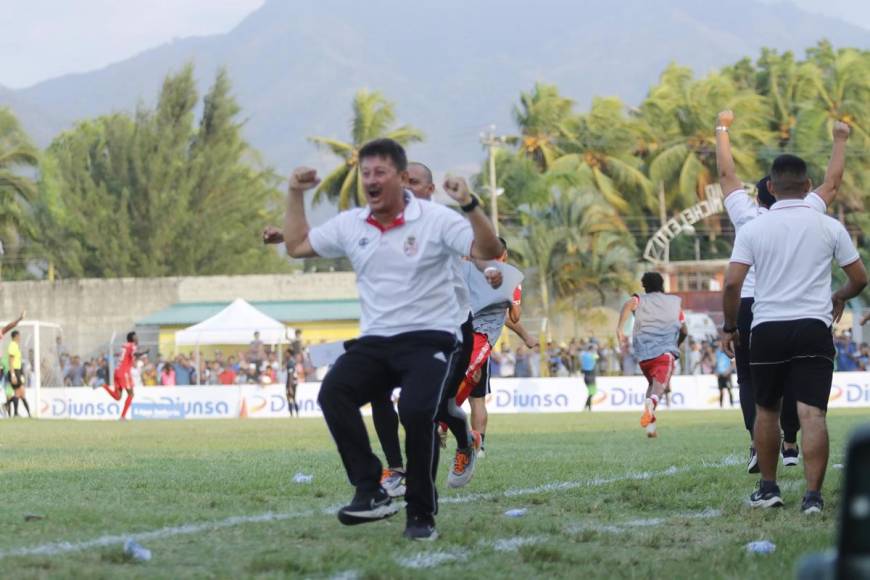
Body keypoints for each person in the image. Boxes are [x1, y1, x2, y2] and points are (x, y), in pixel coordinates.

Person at [280, 138, 501, 540]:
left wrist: (470, 206)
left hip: (432, 337)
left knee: (418, 413)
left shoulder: (436, 219)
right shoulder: (352, 223)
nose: (371, 180)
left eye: (380, 172)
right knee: (334, 392)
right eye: (365, 173)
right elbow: (296, 245)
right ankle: (370, 490)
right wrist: (295, 193)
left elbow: (488, 248)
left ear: (401, 179)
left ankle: (421, 515)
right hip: (378, 340)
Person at [722, 151, 867, 514]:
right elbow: (860, 279)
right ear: (806, 186)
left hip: (767, 326)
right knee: (812, 414)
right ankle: (813, 497)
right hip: (813, 327)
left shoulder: (753, 227)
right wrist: (840, 296)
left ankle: (769, 489)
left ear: (770, 187)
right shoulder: (828, 225)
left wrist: (729, 326)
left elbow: (731, 284)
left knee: (767, 410)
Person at [716, 110, 849, 473]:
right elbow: (833, 183)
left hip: (750, 304)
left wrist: (722, 128)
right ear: (802, 187)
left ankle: (758, 445)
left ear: (764, 193)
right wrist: (840, 139)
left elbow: (727, 176)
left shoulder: (749, 217)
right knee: (800, 377)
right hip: (802, 307)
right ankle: (790, 441)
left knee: (751, 380)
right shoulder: (810, 210)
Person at [453, 239, 538, 461]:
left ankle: (471, 442)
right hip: (476, 340)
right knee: (476, 398)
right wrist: (526, 334)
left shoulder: (472, 272)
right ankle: (475, 445)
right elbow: (511, 315)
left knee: (469, 394)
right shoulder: (506, 278)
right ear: (505, 255)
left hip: (460, 338)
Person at [617, 273, 687, 438]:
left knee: (652, 386)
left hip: (644, 356)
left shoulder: (640, 300)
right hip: (665, 353)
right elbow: (684, 330)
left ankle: (651, 427)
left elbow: (628, 305)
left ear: (644, 287)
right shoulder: (674, 303)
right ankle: (653, 401)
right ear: (662, 284)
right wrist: (677, 344)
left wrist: (620, 329)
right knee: (659, 390)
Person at [101, 332, 147, 420]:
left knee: (118, 397)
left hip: (117, 371)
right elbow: (134, 354)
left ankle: (103, 385)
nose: (137, 339)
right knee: (131, 394)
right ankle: (123, 416)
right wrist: (144, 352)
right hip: (124, 373)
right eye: (136, 337)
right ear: (132, 339)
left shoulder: (124, 346)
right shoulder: (132, 346)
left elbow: (129, 357)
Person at [580, 344, 599, 411]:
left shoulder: (583, 355)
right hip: (591, 375)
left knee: (591, 392)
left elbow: (581, 357)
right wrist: (595, 351)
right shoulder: (592, 355)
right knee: (592, 392)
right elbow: (597, 357)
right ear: (591, 349)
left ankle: (588, 407)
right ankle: (587, 406)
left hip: (585, 376)